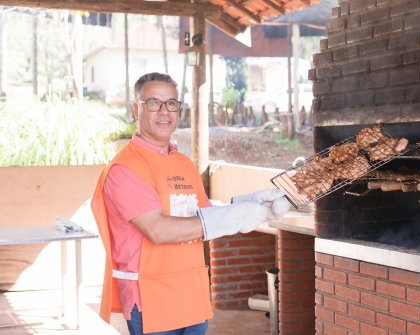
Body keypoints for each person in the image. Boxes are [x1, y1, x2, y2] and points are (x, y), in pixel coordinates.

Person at [91, 72, 290, 335]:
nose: (164, 111)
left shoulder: (183, 163)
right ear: (136, 109)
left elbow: (203, 212)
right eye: (153, 103)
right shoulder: (126, 168)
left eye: (171, 103)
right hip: (151, 297)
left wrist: (250, 204)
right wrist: (234, 217)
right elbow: (158, 230)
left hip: (192, 293)